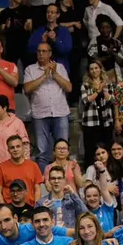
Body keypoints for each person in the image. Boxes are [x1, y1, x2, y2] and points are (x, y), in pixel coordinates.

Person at [23, 42, 72, 171]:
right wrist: (44, 76)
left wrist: (54, 74)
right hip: (40, 114)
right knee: (42, 151)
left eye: (44, 51)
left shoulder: (60, 67)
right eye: (39, 51)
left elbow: (69, 88)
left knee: (62, 149)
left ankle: (64, 179)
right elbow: (27, 89)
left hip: (60, 112)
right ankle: (45, 183)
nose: (41, 54)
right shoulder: (30, 69)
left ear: (50, 53)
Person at [0, 135, 41, 204]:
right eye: (12, 148)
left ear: (23, 148)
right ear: (8, 150)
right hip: (9, 208)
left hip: (30, 208)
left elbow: (38, 190)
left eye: (18, 146)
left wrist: (36, 207)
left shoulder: (33, 166)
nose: (15, 149)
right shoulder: (1, 167)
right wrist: (4, 208)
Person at [27, 4, 74, 73]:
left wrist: (55, 40)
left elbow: (66, 49)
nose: (49, 14)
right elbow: (30, 49)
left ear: (58, 15)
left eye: (52, 12)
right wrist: (42, 42)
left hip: (61, 69)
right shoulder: (38, 31)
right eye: (47, 12)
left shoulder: (64, 31)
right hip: (42, 69)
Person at [0, 0, 32, 65]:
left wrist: (28, 26)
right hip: (11, 47)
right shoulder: (4, 13)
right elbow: (2, 29)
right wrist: (7, 26)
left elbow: (30, 27)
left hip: (25, 45)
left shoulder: (26, 9)